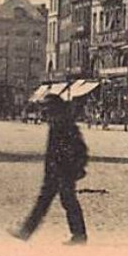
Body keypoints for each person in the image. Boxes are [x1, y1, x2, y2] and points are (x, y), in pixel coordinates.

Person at [10, 94, 88, 244]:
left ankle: (27, 231)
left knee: (60, 202)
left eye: (47, 109)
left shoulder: (64, 125)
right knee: (59, 202)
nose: (44, 112)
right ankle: (78, 235)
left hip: (62, 171)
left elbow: (79, 149)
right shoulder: (59, 123)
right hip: (56, 170)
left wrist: (75, 168)